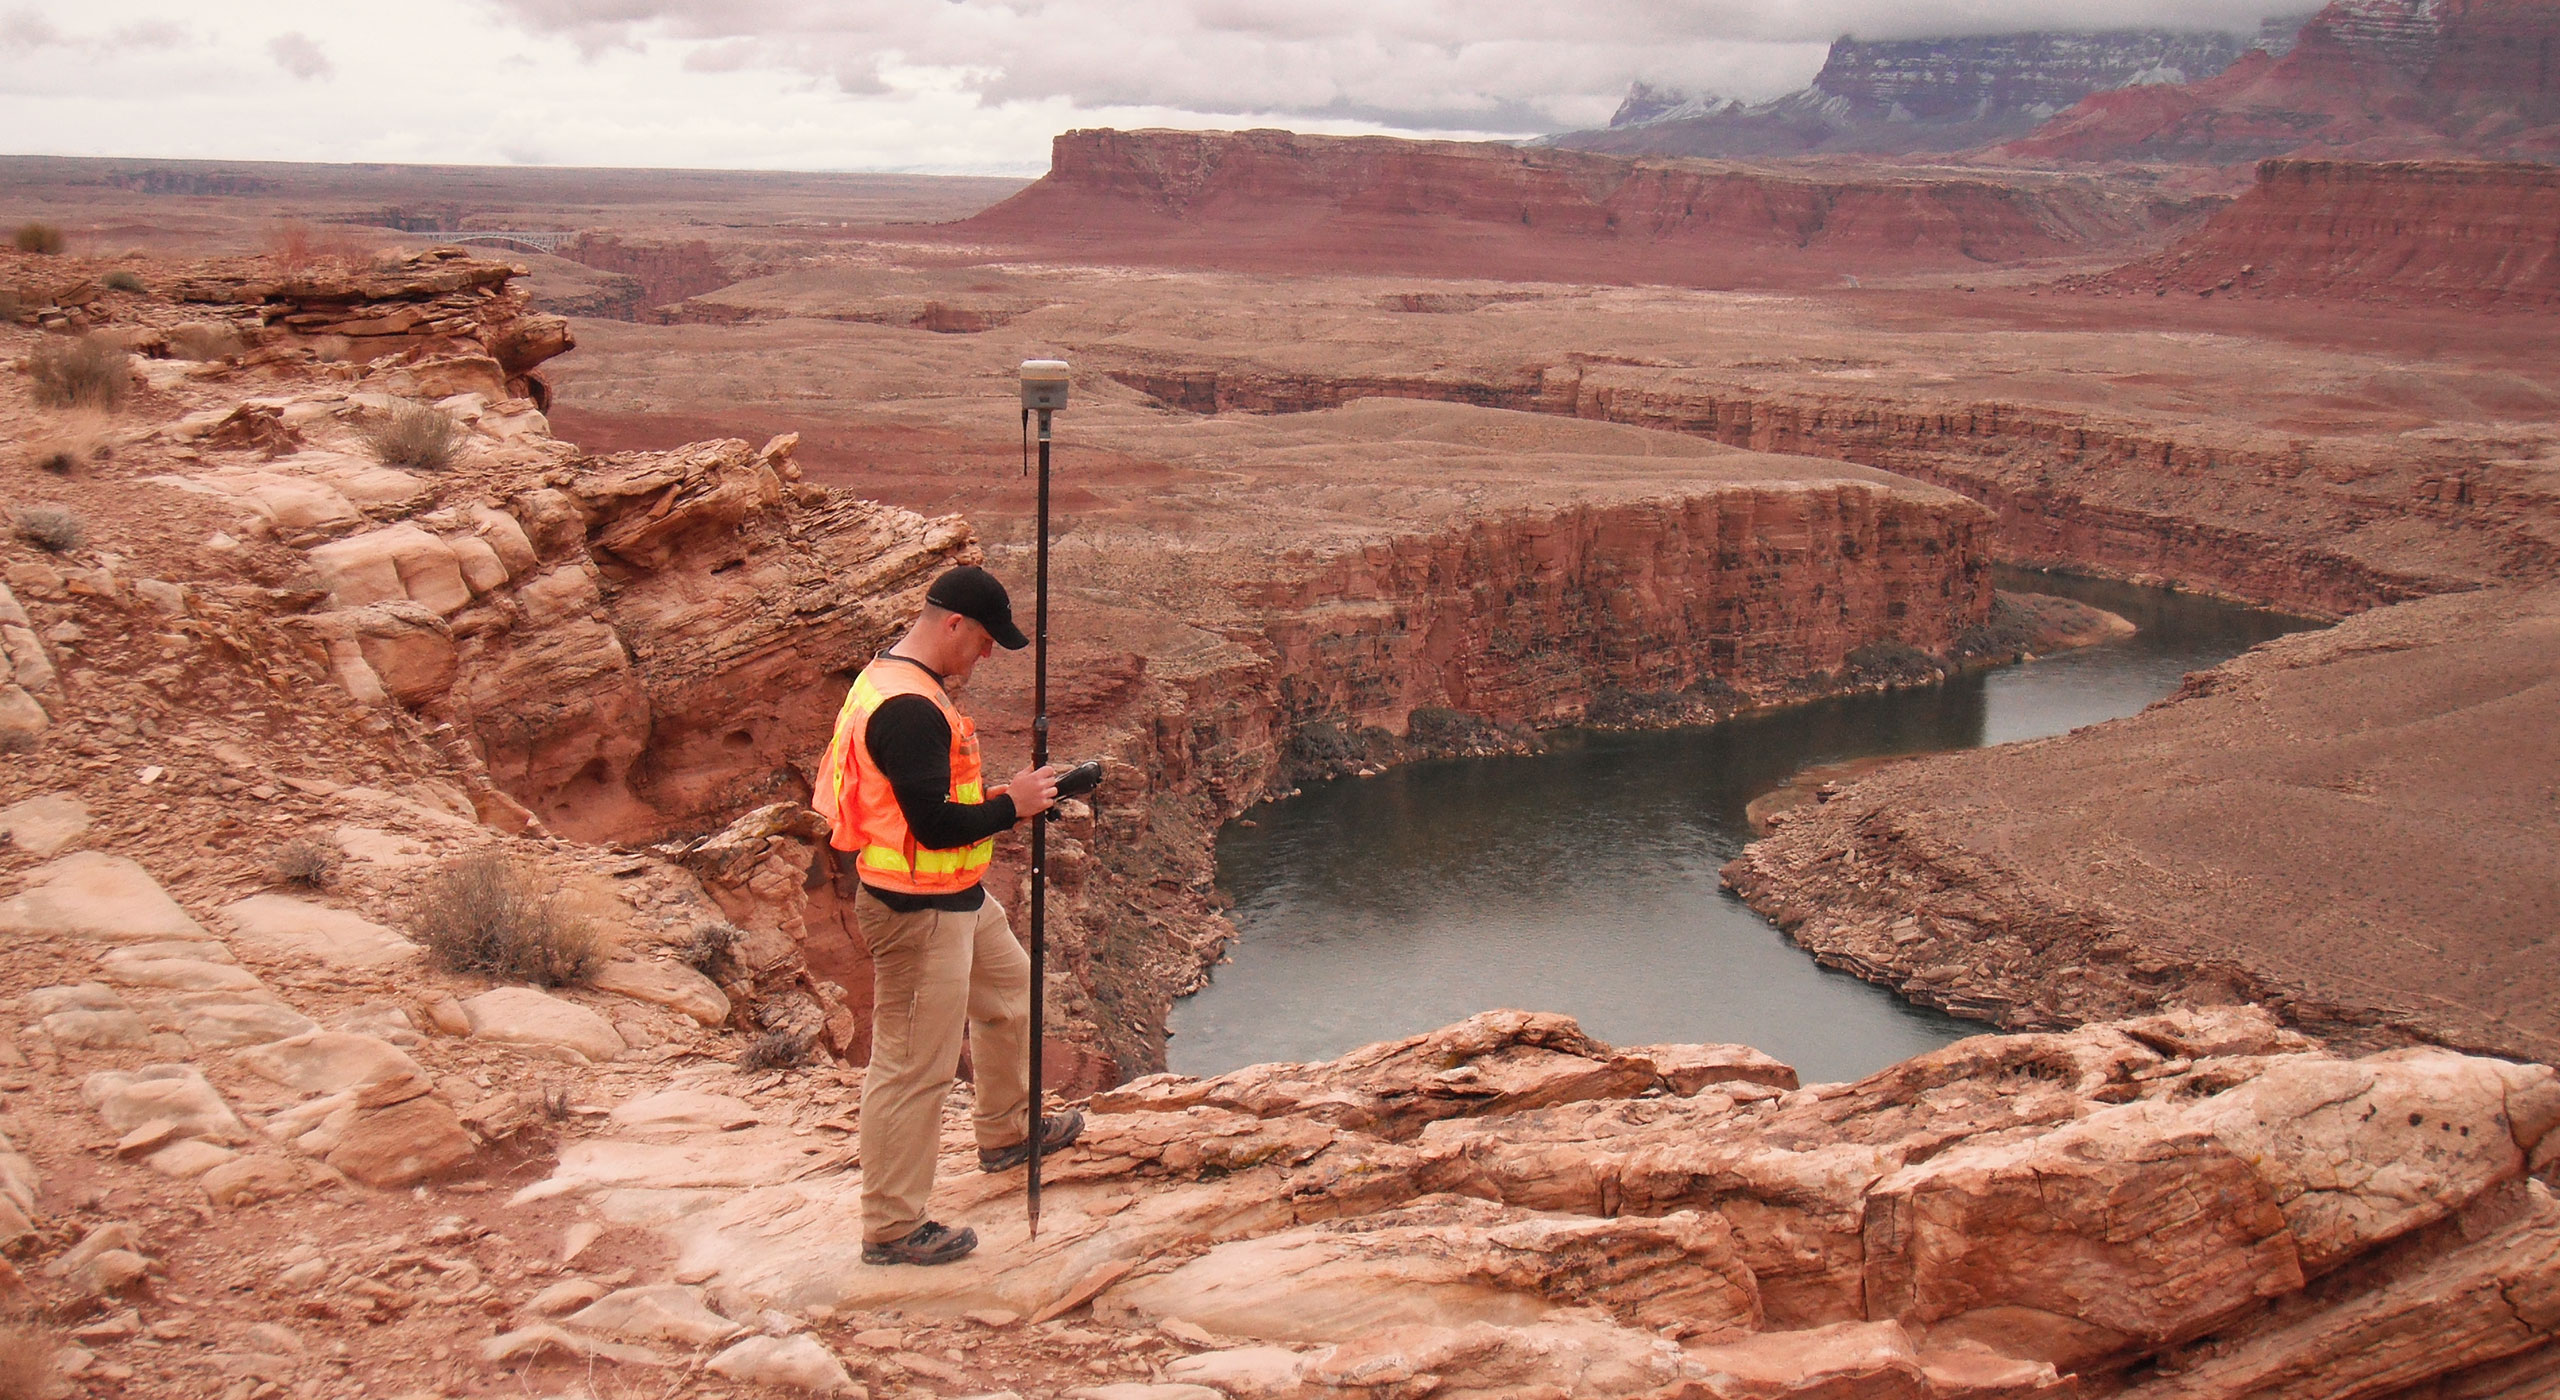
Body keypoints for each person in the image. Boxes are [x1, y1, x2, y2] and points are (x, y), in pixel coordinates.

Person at [811, 564, 1085, 1267]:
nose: (988, 655)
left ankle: (1008, 1131)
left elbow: (926, 802)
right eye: (987, 640)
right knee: (913, 1067)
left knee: (1011, 996)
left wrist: (1012, 797)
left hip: (957, 896)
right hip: (915, 910)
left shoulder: (897, 678)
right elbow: (932, 826)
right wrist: (1012, 806)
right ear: (953, 623)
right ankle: (893, 1227)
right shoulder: (907, 708)